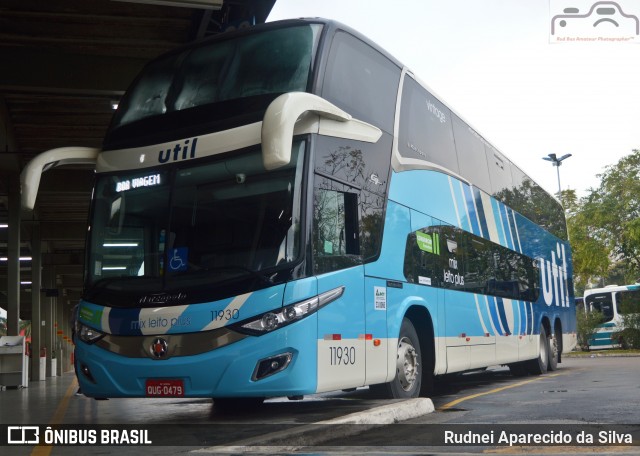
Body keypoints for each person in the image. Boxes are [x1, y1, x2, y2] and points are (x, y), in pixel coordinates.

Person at [70, 303, 82, 396]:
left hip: (82, 340)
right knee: (78, 364)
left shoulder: (77, 307)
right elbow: (73, 326)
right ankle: (82, 386)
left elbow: (72, 325)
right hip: (80, 340)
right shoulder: (77, 308)